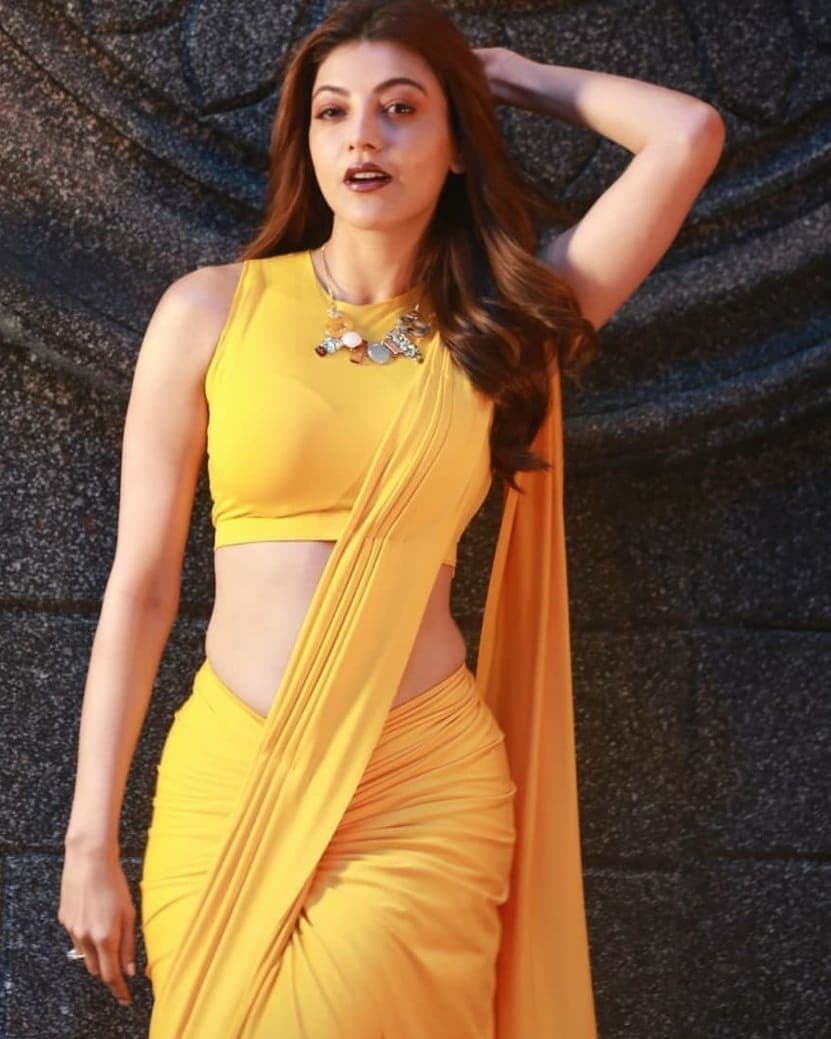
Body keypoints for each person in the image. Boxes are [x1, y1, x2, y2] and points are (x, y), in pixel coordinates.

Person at [56, 0, 725, 1035]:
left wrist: (508, 75)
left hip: (414, 787)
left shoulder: (502, 324)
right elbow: (141, 588)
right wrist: (88, 841)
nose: (362, 136)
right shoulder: (206, 310)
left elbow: (687, 134)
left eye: (401, 109)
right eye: (332, 112)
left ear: (456, 143)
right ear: (307, 142)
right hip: (230, 773)